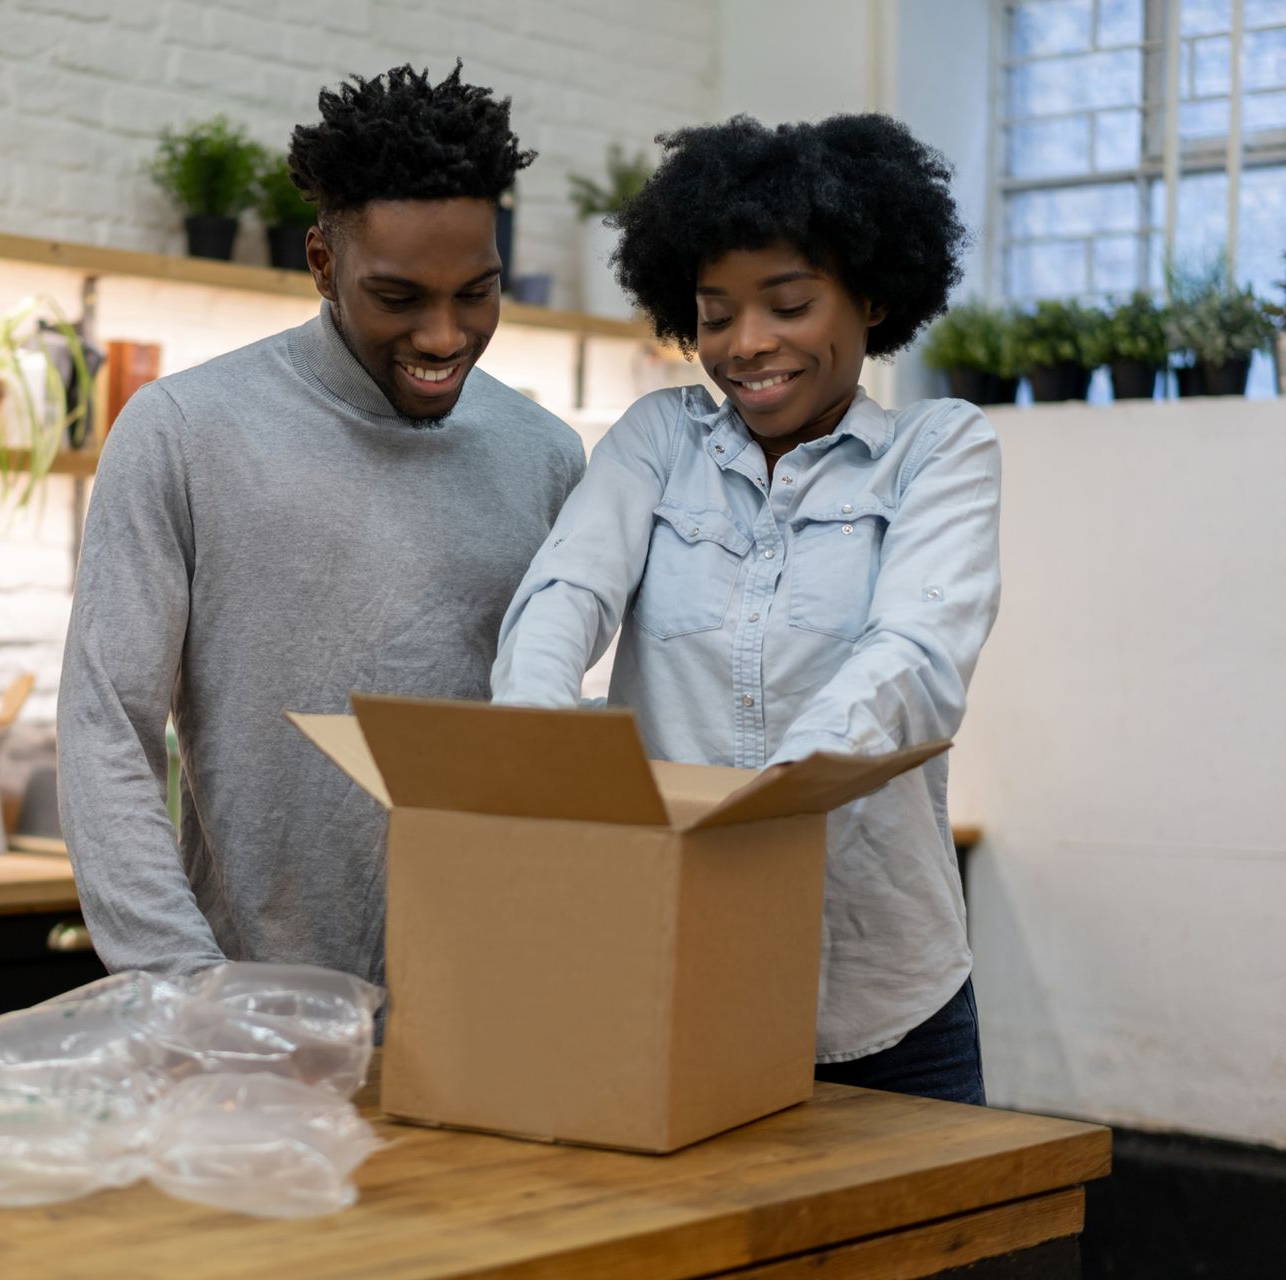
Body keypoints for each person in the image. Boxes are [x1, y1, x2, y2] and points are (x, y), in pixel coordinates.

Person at [492, 114, 996, 1105]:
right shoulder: (657, 440)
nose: (746, 344)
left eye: (790, 303)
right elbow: (565, 592)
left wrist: (756, 807)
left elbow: (918, 657)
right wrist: (543, 755)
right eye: (716, 313)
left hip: (882, 998)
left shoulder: (939, 450)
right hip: (678, 976)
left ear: (874, 295)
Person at [59, 63, 585, 986]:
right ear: (322, 264)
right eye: (398, 297)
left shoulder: (542, 454)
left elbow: (551, 745)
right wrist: (183, 984)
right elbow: (108, 725)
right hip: (250, 1015)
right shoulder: (185, 431)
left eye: (476, 292)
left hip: (491, 1001)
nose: (442, 335)